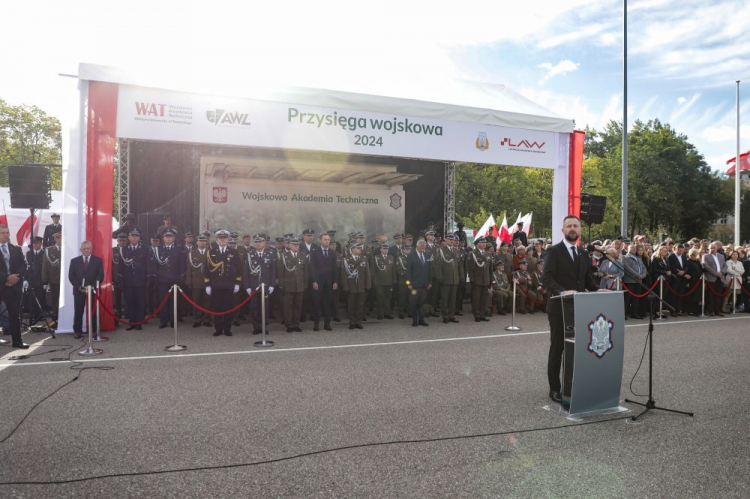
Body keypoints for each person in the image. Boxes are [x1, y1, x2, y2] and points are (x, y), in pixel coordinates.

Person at [541, 215, 598, 407]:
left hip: (579, 308)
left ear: (580, 230)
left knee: (577, 349)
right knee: (558, 348)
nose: (572, 228)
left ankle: (573, 384)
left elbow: (587, 279)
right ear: (563, 230)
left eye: (575, 225)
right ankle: (554, 388)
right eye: (569, 226)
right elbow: (547, 278)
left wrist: (599, 290)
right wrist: (563, 291)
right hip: (559, 308)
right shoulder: (554, 251)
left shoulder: (583, 253)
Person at [204, 230, 242, 337]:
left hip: (229, 285)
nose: (222, 240)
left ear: (227, 240)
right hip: (216, 285)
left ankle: (227, 328)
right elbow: (206, 269)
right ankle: (218, 329)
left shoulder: (233, 252)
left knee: (228, 307)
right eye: (220, 238)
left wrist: (237, 283)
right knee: (217, 307)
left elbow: (239, 268)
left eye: (224, 238)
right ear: (217, 240)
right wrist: (207, 284)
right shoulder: (211, 252)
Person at [68, 240, 104, 339]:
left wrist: (91, 287)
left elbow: (100, 275)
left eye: (88, 248)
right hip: (79, 290)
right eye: (84, 249)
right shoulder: (74, 261)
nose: (86, 250)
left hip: (93, 290)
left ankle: (94, 331)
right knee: (78, 311)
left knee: (94, 311)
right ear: (81, 250)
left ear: (91, 249)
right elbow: (71, 276)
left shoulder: (98, 260)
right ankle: (77, 331)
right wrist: (79, 287)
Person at [243, 234, 277, 335]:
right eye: (256, 242)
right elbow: (246, 272)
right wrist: (247, 286)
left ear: (264, 243)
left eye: (260, 242)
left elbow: (273, 272)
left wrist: (272, 285)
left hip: (265, 286)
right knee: (254, 308)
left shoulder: (270, 254)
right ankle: (256, 327)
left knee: (265, 308)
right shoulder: (250, 255)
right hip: (254, 286)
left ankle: (263, 327)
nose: (258, 244)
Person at [0, 225, 28, 348]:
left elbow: (23, 265)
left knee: (14, 315)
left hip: (14, 287)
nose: (6, 235)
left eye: (7, 232)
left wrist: (15, 278)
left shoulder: (15, 249)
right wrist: (6, 278)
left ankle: (17, 341)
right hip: (1, 284)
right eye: (2, 233)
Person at [151, 228, 185, 328]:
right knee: (163, 300)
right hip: (162, 280)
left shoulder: (179, 249)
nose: (169, 238)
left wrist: (181, 277)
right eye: (167, 236)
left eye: (170, 236)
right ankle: (164, 320)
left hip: (175, 279)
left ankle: (173, 320)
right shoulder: (158, 249)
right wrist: (155, 278)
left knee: (174, 301)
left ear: (174, 238)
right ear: (163, 238)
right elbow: (155, 266)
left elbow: (182, 264)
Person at [118, 229, 148, 330]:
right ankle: (132, 321)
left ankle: (139, 322)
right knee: (129, 301)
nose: (134, 238)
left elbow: (148, 265)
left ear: (139, 238)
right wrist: (121, 280)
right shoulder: (123, 249)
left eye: (136, 236)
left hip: (140, 279)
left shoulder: (145, 249)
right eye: (132, 236)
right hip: (128, 280)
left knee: (140, 302)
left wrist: (147, 279)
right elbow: (120, 267)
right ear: (129, 238)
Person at [277, 237, 308, 333]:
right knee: (288, 306)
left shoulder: (302, 256)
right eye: (294, 245)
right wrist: (281, 286)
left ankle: (296, 324)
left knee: (298, 306)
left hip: (299, 285)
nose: (296, 246)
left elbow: (305, 272)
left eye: (298, 244)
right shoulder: (284, 256)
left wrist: (305, 284)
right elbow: (280, 272)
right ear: (289, 245)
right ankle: (289, 324)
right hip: (288, 286)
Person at [309, 232, 339, 331]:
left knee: (327, 303)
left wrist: (335, 281)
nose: (327, 241)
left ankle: (327, 323)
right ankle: (316, 323)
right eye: (325, 239)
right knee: (316, 303)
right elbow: (312, 268)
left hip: (329, 282)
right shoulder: (314, 253)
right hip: (318, 282)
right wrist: (314, 281)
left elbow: (335, 268)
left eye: (328, 239)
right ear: (320, 241)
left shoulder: (333, 253)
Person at [341, 242, 371, 330]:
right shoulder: (346, 260)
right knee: (351, 305)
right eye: (358, 248)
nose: (360, 249)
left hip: (361, 285)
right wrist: (346, 286)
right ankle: (352, 322)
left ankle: (358, 322)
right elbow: (343, 275)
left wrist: (368, 284)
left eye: (360, 248)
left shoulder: (364, 259)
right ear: (352, 249)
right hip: (351, 286)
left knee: (360, 305)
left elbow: (367, 274)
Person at [433, 234, 462, 324]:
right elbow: (438, 266)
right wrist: (439, 277)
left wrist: (462, 276)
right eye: (450, 239)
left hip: (455, 278)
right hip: (445, 278)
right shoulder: (441, 251)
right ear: (445, 240)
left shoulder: (457, 251)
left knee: (453, 299)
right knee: (445, 299)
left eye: (453, 240)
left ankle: (451, 315)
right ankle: (445, 316)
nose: (452, 241)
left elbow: (459, 265)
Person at [186, 235, 211, 328]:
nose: (202, 243)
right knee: (196, 302)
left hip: (208, 281)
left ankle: (206, 319)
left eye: (204, 241)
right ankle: (197, 319)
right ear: (196, 242)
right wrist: (189, 282)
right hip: (196, 281)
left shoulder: (210, 253)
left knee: (207, 302)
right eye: (200, 241)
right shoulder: (192, 253)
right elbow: (189, 269)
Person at [466, 236, 494, 322]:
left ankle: (482, 314)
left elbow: (490, 269)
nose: (484, 244)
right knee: (476, 299)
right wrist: (472, 279)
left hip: (486, 280)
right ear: (477, 244)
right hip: (477, 280)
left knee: (484, 298)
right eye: (482, 243)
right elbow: (470, 268)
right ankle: (476, 315)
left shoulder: (488, 254)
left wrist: (490, 280)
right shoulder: (472, 254)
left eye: (485, 243)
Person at [406, 239, 431, 327]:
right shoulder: (411, 256)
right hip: (414, 285)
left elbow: (429, 270)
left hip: (424, 284)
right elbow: (408, 271)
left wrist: (430, 282)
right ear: (417, 246)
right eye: (421, 247)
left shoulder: (427, 255)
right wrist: (408, 283)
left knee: (422, 303)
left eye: (423, 247)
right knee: (414, 303)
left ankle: (421, 319)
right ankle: (414, 320)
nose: (422, 249)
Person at [371, 242, 396, 321]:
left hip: (389, 281)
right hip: (379, 281)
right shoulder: (376, 257)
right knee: (380, 298)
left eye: (387, 249)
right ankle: (380, 313)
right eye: (384, 249)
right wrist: (374, 281)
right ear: (381, 249)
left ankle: (387, 313)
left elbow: (393, 270)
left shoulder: (391, 257)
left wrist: (394, 280)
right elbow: (373, 270)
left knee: (388, 298)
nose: (386, 250)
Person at [25, 236, 47, 324]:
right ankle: (33, 314)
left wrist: (46, 281)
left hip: (41, 279)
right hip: (32, 278)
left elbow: (46, 268)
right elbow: (28, 266)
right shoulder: (29, 253)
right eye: (34, 243)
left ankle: (40, 314)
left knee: (41, 297)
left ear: (41, 243)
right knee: (31, 298)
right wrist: (26, 279)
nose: (35, 245)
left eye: (37, 243)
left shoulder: (45, 253)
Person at [623, 244, 648, 320]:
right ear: (628, 248)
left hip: (639, 281)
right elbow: (627, 268)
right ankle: (623, 314)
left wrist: (643, 275)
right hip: (629, 281)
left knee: (636, 299)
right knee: (627, 299)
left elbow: (644, 268)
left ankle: (634, 313)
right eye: (632, 247)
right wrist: (637, 275)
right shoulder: (625, 257)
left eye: (635, 248)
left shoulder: (638, 258)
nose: (634, 249)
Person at [702, 243, 726, 317]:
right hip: (711, 278)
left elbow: (725, 265)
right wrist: (715, 273)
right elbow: (706, 266)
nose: (713, 249)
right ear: (708, 249)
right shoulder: (705, 256)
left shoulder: (721, 256)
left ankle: (717, 310)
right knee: (710, 295)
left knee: (718, 295)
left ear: (717, 248)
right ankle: (711, 310)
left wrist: (722, 272)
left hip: (720, 278)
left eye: (714, 248)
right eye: (711, 248)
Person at [42, 232, 62, 321]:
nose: (60, 240)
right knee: (55, 299)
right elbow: (45, 266)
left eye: (62, 238)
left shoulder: (68, 248)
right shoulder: (49, 250)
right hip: (54, 279)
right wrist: (45, 281)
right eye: (59, 238)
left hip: (66, 280)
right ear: (55, 239)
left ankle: (64, 317)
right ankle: (55, 318)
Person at [668, 244, 689, 316]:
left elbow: (686, 265)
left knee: (680, 295)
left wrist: (684, 272)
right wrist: (678, 272)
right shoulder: (671, 256)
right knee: (673, 295)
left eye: (681, 250)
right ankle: (672, 310)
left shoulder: (683, 256)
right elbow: (671, 267)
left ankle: (678, 309)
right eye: (679, 250)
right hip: (675, 278)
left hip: (682, 279)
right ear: (675, 249)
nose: (680, 252)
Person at [685, 248, 704, 316]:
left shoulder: (697, 262)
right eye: (693, 255)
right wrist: (687, 282)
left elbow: (701, 270)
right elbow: (686, 271)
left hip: (698, 281)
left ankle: (696, 310)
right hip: (691, 281)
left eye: (695, 255)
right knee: (691, 297)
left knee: (697, 296)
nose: (694, 256)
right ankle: (690, 310)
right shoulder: (687, 262)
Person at [395, 244, 411, 319]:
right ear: (403, 250)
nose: (408, 250)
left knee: (410, 297)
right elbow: (398, 269)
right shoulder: (399, 258)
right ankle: (401, 312)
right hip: (403, 280)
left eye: (409, 249)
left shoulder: (412, 258)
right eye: (406, 249)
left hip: (411, 281)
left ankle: (409, 311)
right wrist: (407, 275)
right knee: (402, 297)